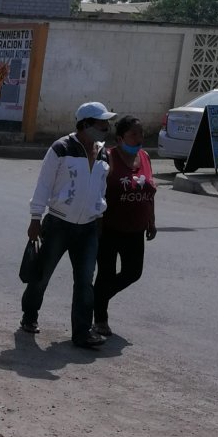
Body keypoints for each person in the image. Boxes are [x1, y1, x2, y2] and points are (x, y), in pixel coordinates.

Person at [21, 101, 115, 349]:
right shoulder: (61, 148)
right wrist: (35, 217)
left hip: (88, 227)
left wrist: (100, 218)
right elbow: (44, 184)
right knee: (42, 276)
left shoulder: (103, 152)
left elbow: (100, 190)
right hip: (58, 224)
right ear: (85, 124)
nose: (106, 127)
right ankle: (29, 316)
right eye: (101, 123)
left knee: (85, 281)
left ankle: (82, 332)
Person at [92, 116, 157, 336]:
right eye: (133, 134)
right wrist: (96, 223)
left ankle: (93, 298)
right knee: (106, 274)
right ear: (120, 138)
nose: (139, 138)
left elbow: (150, 190)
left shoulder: (145, 157)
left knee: (133, 272)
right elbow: (97, 190)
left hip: (136, 228)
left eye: (141, 134)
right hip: (109, 227)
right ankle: (100, 318)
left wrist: (152, 220)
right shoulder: (108, 157)